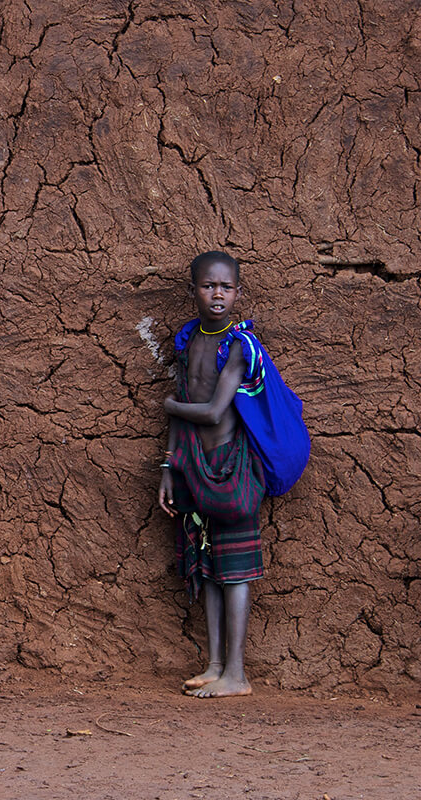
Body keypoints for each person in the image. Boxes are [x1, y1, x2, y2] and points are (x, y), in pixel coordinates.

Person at [158, 250, 266, 698]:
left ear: (238, 293)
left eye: (225, 287)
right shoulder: (191, 340)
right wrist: (169, 465)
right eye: (208, 285)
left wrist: (169, 407)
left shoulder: (238, 345)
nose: (216, 294)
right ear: (193, 291)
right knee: (208, 566)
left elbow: (214, 410)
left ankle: (237, 675)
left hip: (231, 466)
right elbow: (188, 405)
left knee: (235, 571)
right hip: (195, 465)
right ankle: (216, 664)